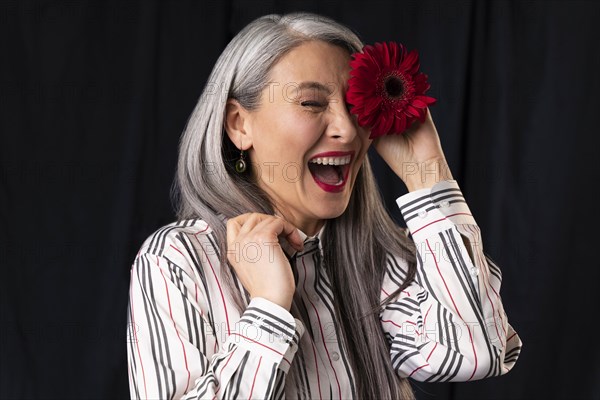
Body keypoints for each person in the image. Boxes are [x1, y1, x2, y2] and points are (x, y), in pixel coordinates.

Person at [126, 12, 522, 400]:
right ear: (238, 124)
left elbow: (475, 353)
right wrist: (269, 307)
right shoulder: (178, 261)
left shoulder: (385, 260)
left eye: (355, 105)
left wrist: (428, 172)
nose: (347, 129)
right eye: (313, 103)